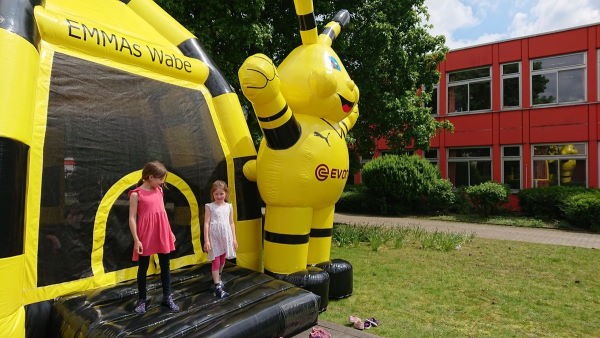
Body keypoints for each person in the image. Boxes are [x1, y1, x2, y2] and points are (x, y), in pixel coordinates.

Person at [128, 161, 179, 313]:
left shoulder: (159, 190)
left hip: (162, 231)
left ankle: (167, 297)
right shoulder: (136, 194)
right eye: (160, 179)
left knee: (165, 265)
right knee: (143, 268)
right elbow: (132, 218)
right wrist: (137, 240)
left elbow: (162, 213)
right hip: (146, 234)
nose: (162, 182)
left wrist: (169, 231)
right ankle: (142, 300)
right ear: (150, 177)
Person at [203, 180, 238, 298]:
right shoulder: (209, 207)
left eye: (221, 194)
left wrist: (234, 238)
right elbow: (206, 223)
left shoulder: (229, 206)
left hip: (225, 236)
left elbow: (231, 223)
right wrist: (206, 240)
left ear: (226, 194)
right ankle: (217, 286)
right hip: (214, 237)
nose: (219, 196)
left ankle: (218, 276)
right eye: (216, 194)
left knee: (223, 259)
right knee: (216, 260)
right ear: (212, 194)